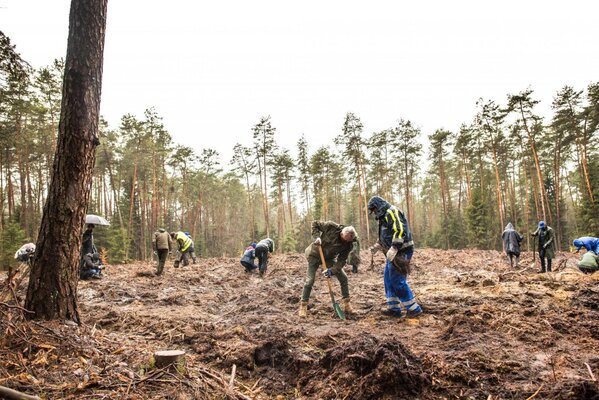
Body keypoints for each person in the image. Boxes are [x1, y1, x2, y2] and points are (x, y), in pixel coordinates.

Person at [368, 195, 422, 318]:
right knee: (388, 279)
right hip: (392, 253)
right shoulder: (383, 217)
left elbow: (399, 229)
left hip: (402, 251)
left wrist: (395, 246)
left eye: (374, 210)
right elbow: (386, 233)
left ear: (378, 206)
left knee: (397, 280)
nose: (374, 213)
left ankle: (413, 308)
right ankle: (394, 308)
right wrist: (378, 244)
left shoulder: (392, 211)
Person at [299, 221, 357, 318]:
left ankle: (347, 304)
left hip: (329, 258)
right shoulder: (331, 227)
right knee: (310, 281)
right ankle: (303, 306)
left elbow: (341, 261)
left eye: (347, 241)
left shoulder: (348, 244)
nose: (345, 242)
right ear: (342, 233)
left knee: (344, 278)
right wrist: (317, 237)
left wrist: (332, 271)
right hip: (314, 254)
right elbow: (315, 224)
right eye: (344, 239)